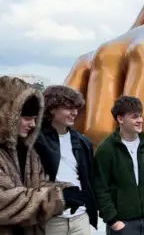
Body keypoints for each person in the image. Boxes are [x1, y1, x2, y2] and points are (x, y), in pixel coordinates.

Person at [0, 76, 78, 235]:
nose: (33, 124)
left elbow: (37, 184)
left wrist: (66, 189)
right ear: (7, 116)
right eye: (27, 118)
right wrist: (58, 198)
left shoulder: (28, 151)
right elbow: (4, 203)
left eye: (35, 119)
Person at [93, 96, 144, 235]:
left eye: (140, 116)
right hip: (123, 224)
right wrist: (113, 221)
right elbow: (101, 188)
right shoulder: (106, 149)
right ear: (120, 119)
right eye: (134, 117)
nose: (140, 120)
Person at [34, 85, 97, 234]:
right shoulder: (35, 140)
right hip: (50, 219)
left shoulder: (82, 142)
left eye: (76, 108)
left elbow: (89, 179)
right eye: (69, 108)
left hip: (80, 217)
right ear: (52, 108)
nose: (74, 113)